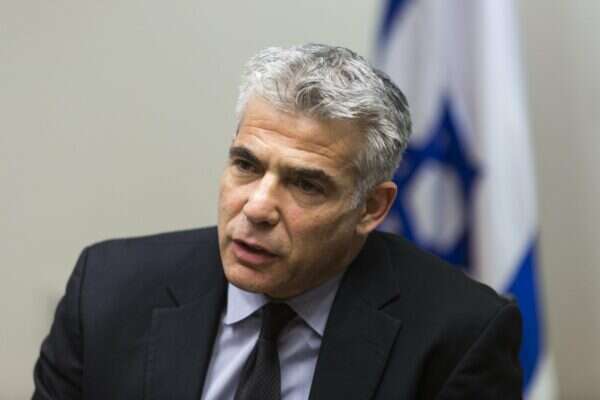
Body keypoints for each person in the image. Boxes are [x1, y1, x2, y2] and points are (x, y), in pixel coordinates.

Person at [33, 44, 522, 400]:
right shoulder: (107, 290)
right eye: (246, 165)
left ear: (372, 207)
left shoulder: (459, 335)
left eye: (306, 184)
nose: (257, 207)